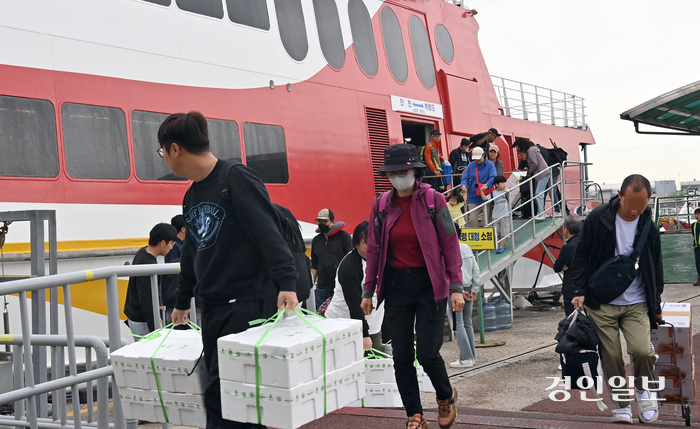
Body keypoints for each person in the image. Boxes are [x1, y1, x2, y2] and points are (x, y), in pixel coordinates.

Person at [161, 111, 299, 429]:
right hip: (212, 308)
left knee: (240, 398)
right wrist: (182, 300)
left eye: (163, 152)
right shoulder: (192, 195)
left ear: (175, 149)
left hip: (247, 304)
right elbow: (193, 253)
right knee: (218, 396)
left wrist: (286, 281)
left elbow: (268, 233)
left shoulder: (235, 177)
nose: (165, 159)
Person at [361, 143, 464, 429]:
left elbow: (449, 244)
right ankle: (414, 414)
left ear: (414, 170)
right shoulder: (381, 205)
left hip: (430, 285)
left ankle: (445, 396)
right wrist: (368, 290)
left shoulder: (434, 201)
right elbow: (373, 249)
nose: (397, 177)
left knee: (429, 354)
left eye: (403, 171)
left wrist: (456, 286)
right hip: (396, 286)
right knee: (402, 355)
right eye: (392, 173)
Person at [568, 174, 663, 425]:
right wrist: (578, 291)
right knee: (611, 357)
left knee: (642, 351)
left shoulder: (649, 225)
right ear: (619, 195)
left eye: (640, 206)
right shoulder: (599, 218)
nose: (634, 210)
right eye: (630, 203)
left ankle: (644, 392)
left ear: (649, 200)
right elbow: (581, 256)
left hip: (637, 301)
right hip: (601, 301)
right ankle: (621, 404)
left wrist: (657, 303)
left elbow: (656, 265)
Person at [325, 221, 385, 351]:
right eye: (366, 242)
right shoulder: (349, 266)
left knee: (376, 367)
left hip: (374, 324)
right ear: (356, 243)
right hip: (343, 324)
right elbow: (354, 304)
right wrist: (363, 334)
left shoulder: (384, 260)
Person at [124, 223, 177, 337]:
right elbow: (146, 300)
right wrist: (156, 329)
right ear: (162, 243)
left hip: (135, 314)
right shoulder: (147, 265)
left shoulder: (143, 252)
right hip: (141, 319)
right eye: (171, 243)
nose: (172, 247)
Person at [310, 208, 352, 311]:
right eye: (319, 221)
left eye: (325, 221)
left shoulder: (344, 237)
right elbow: (314, 265)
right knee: (321, 318)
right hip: (321, 288)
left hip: (340, 288)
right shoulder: (316, 240)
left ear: (333, 221)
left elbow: (351, 261)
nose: (321, 224)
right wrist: (310, 287)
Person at [449, 243, 479, 368]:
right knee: (468, 323)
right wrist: (475, 288)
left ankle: (465, 358)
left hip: (456, 289)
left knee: (458, 323)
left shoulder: (449, 248)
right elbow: (475, 269)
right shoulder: (466, 247)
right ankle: (472, 356)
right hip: (469, 287)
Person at [511, 138, 549, 219]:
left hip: (542, 173)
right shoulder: (532, 149)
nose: (517, 149)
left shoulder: (530, 151)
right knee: (540, 193)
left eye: (518, 147)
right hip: (543, 173)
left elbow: (534, 164)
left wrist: (529, 172)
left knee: (538, 194)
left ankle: (541, 213)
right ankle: (542, 212)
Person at [460, 147, 497, 227]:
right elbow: (465, 178)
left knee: (486, 220)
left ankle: (487, 237)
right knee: (472, 219)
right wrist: (464, 186)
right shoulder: (470, 166)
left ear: (483, 155)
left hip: (486, 194)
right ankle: (475, 237)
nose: (476, 160)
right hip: (473, 194)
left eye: (478, 158)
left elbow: (493, 177)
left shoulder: (490, 165)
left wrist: (487, 185)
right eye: (475, 158)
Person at [553, 216, 581, 316]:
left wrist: (562, 266)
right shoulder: (588, 244)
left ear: (566, 229)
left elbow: (557, 267)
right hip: (587, 287)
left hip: (571, 288)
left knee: (572, 319)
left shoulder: (568, 247)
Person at [481, 175, 509, 254]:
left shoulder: (506, 190)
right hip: (496, 215)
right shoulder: (493, 193)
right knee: (498, 233)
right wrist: (481, 191)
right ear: (496, 184)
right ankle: (503, 243)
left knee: (504, 231)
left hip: (505, 214)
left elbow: (509, 192)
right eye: (502, 183)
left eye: (505, 182)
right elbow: (485, 198)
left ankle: (501, 246)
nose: (504, 184)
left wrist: (507, 192)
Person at [693, 208, 700, 286]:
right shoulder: (694, 225)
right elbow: (693, 234)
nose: (696, 216)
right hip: (697, 247)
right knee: (698, 263)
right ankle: (699, 278)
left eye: (698, 214)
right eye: (695, 214)